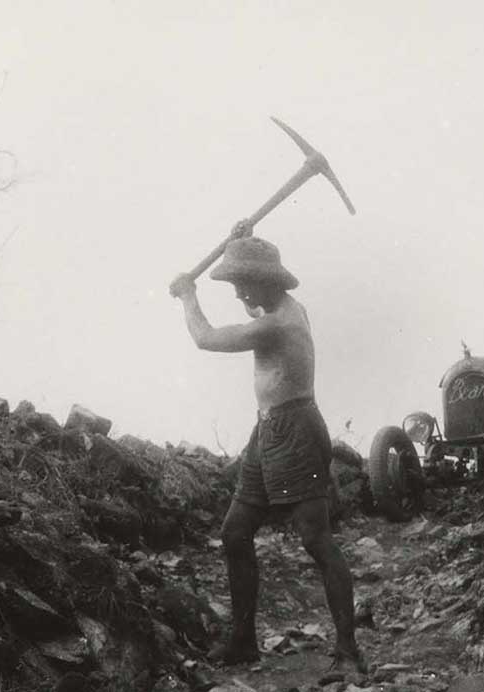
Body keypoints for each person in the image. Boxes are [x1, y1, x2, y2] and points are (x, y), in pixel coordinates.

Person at [169, 229, 367, 675]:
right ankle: (243, 640)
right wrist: (242, 243)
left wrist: (187, 295)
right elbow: (252, 302)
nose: (238, 292)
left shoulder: (280, 323)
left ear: (268, 282)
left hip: (296, 430)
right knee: (235, 531)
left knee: (316, 539)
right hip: (269, 430)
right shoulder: (279, 307)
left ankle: (348, 651)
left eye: (243, 282)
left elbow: (206, 338)